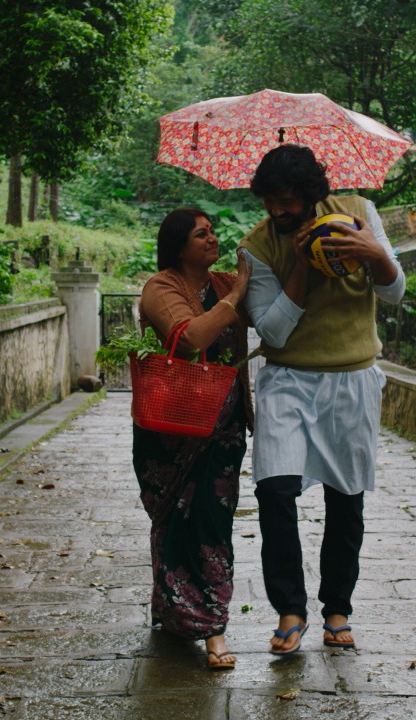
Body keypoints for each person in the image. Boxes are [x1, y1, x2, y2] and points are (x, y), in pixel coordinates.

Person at [237, 144, 405, 654]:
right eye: (270, 201)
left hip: (352, 381)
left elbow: (395, 292)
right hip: (288, 380)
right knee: (275, 491)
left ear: (312, 194)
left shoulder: (358, 213)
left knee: (345, 498)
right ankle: (290, 609)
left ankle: (337, 610)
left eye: (287, 201)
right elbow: (272, 332)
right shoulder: (257, 247)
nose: (278, 211)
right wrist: (302, 267)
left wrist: (373, 254)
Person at [133, 208, 253, 670]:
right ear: (179, 245)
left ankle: (211, 626)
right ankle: (179, 615)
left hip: (224, 430)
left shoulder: (225, 283)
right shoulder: (161, 288)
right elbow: (187, 338)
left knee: (211, 524)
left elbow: (278, 307)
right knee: (173, 525)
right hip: (170, 433)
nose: (212, 238)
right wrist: (235, 297)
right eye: (202, 234)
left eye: (213, 232)